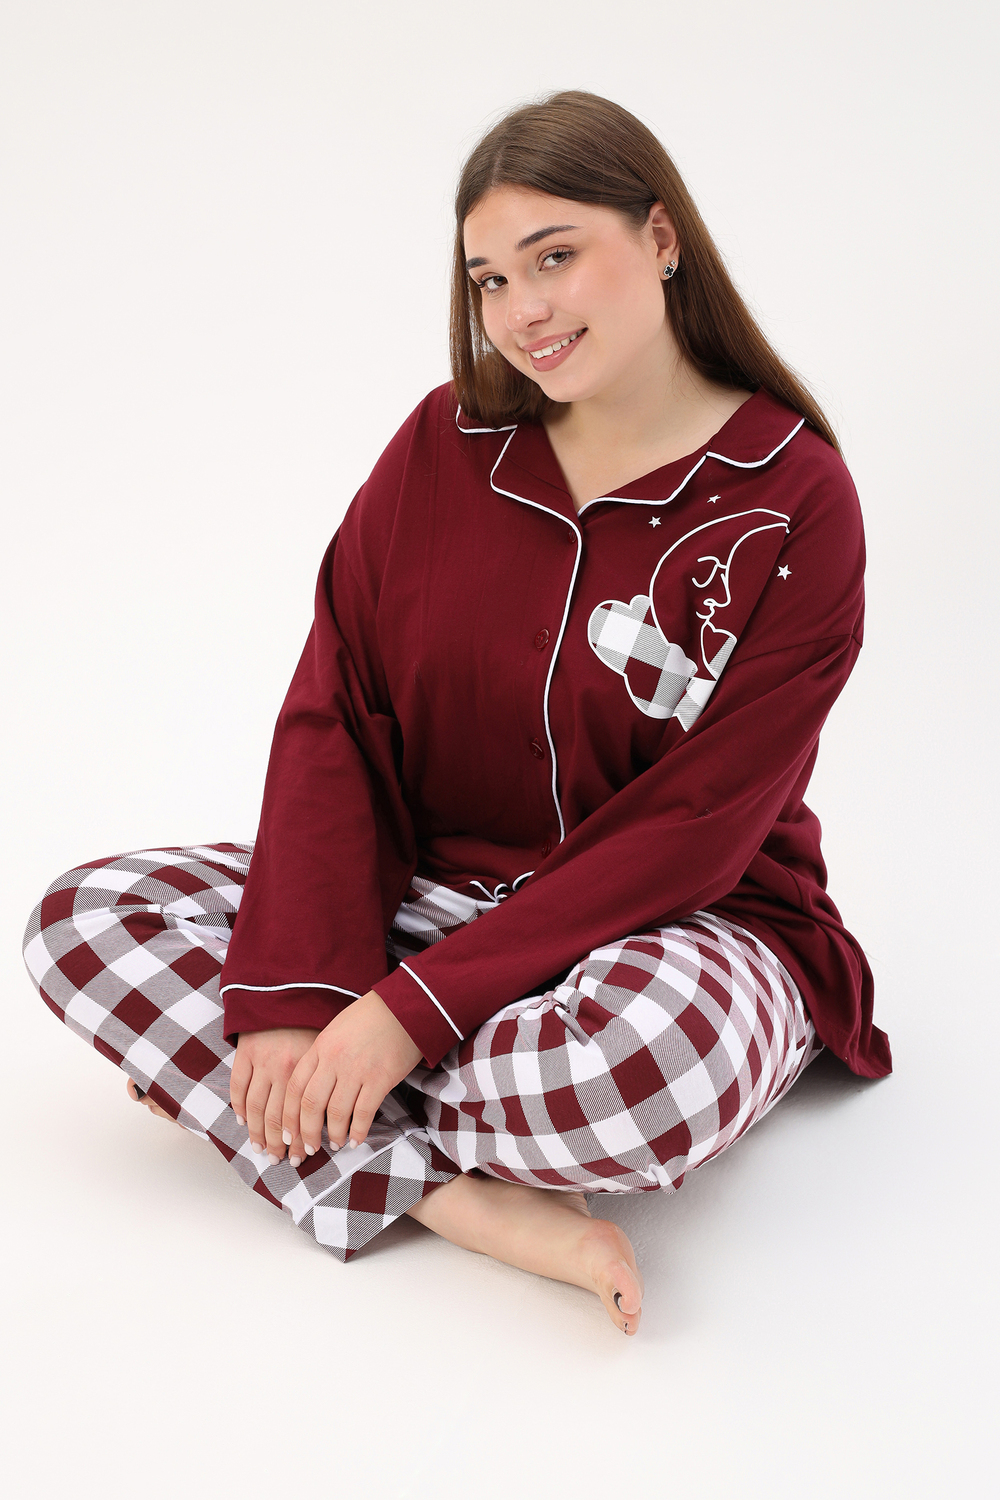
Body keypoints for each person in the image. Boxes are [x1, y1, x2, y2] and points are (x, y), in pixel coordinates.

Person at [22, 90, 891, 1336]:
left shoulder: (795, 498)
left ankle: (293, 1121)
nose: (521, 310)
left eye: (554, 257)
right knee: (84, 920)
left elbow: (700, 820)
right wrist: (298, 995)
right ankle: (457, 1199)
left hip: (679, 927)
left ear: (659, 238)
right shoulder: (444, 443)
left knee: (634, 1073)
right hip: (433, 895)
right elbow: (338, 712)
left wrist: (393, 1019)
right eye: (489, 279)